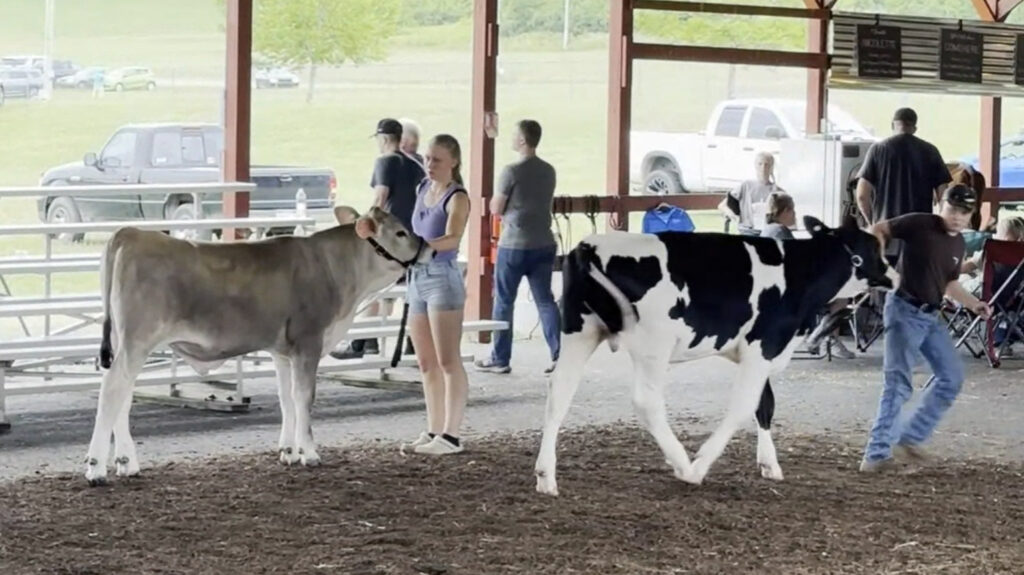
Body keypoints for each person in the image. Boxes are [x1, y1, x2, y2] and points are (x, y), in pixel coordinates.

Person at [860, 184, 990, 473]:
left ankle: (911, 437)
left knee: (952, 376)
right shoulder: (921, 223)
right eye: (953, 209)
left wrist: (974, 304)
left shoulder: (958, 244)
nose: (957, 216)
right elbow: (878, 229)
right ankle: (876, 454)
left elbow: (950, 283)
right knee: (898, 383)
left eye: (964, 212)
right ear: (941, 205)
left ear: (971, 215)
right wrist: (880, 264)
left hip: (930, 315)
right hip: (904, 309)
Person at [332, 118, 425, 360]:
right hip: (413, 239)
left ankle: (362, 342)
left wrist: (364, 225)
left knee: (371, 286)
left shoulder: (386, 161)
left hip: (390, 240)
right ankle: (411, 343)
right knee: (403, 290)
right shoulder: (415, 165)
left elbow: (380, 200)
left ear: (383, 139)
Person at [402, 134, 472, 456]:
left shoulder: (457, 197)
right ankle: (434, 428)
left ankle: (451, 434)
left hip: (441, 275)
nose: (430, 165)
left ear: (453, 162)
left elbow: (453, 238)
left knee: (448, 359)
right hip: (417, 275)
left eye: (437, 160)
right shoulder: (421, 190)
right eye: (428, 158)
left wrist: (421, 248)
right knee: (426, 361)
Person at [474, 120, 561, 375]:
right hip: (544, 241)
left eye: (514, 135)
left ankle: (500, 358)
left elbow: (496, 208)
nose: (512, 139)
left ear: (522, 140)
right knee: (545, 300)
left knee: (503, 301)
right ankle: (559, 354)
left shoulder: (510, 171)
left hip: (514, 244)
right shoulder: (549, 170)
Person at [855, 107, 952, 264]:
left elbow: (861, 195)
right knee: (915, 286)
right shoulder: (930, 151)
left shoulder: (877, 150)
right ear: (914, 128)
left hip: (886, 237)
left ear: (893, 125)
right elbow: (944, 195)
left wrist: (871, 223)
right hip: (920, 237)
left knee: (887, 284)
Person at [718, 151, 783, 236]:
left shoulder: (777, 191)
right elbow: (722, 206)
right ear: (755, 166)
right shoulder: (746, 185)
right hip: (746, 231)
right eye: (760, 164)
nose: (763, 168)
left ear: (771, 168)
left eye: (767, 165)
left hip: (768, 232)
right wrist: (734, 217)